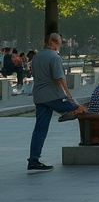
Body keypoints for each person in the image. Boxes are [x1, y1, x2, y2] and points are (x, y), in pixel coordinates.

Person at [28, 33, 87, 172]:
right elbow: (59, 79)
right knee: (82, 110)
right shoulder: (54, 57)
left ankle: (33, 160)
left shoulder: (36, 57)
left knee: (40, 129)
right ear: (54, 43)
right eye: (60, 43)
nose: (60, 45)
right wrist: (69, 97)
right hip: (54, 95)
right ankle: (85, 137)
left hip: (39, 97)